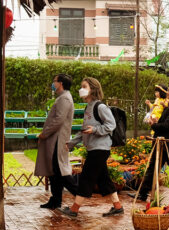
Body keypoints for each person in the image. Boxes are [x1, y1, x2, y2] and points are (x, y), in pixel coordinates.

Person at [62, 77, 122, 217]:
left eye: (85, 86)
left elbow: (111, 125)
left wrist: (95, 130)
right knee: (104, 179)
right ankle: (118, 207)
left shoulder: (100, 106)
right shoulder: (88, 107)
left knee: (86, 178)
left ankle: (75, 209)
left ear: (93, 89)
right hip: (93, 148)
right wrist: (72, 142)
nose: (81, 89)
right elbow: (85, 129)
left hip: (100, 149)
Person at [36, 73, 74, 209]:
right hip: (55, 139)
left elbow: (58, 120)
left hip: (57, 140)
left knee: (59, 170)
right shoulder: (63, 98)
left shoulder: (64, 99)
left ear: (61, 83)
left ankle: (79, 192)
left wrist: (43, 134)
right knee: (55, 171)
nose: (53, 83)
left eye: (55, 81)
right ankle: (55, 200)